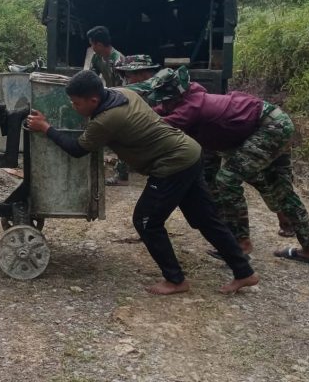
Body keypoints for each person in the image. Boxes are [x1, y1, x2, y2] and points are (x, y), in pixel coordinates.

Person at [26, 70, 258, 295]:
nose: (74, 108)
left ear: (94, 99)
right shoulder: (124, 94)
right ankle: (244, 271)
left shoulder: (107, 120)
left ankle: (175, 280)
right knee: (205, 219)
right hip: (189, 152)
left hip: (172, 165)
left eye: (76, 104)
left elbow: (77, 149)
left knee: (146, 221)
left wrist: (46, 128)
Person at [150, 67, 309, 265]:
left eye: (165, 99)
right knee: (278, 188)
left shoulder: (190, 109)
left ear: (174, 96)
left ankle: (240, 244)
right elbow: (156, 113)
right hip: (273, 122)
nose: (163, 103)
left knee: (228, 180)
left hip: (269, 127)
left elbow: (152, 126)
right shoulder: (185, 99)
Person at [106, 54, 162, 186]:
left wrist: (103, 92)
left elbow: (128, 90)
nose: (127, 80)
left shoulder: (158, 81)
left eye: (129, 76)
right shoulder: (148, 86)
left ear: (142, 73)